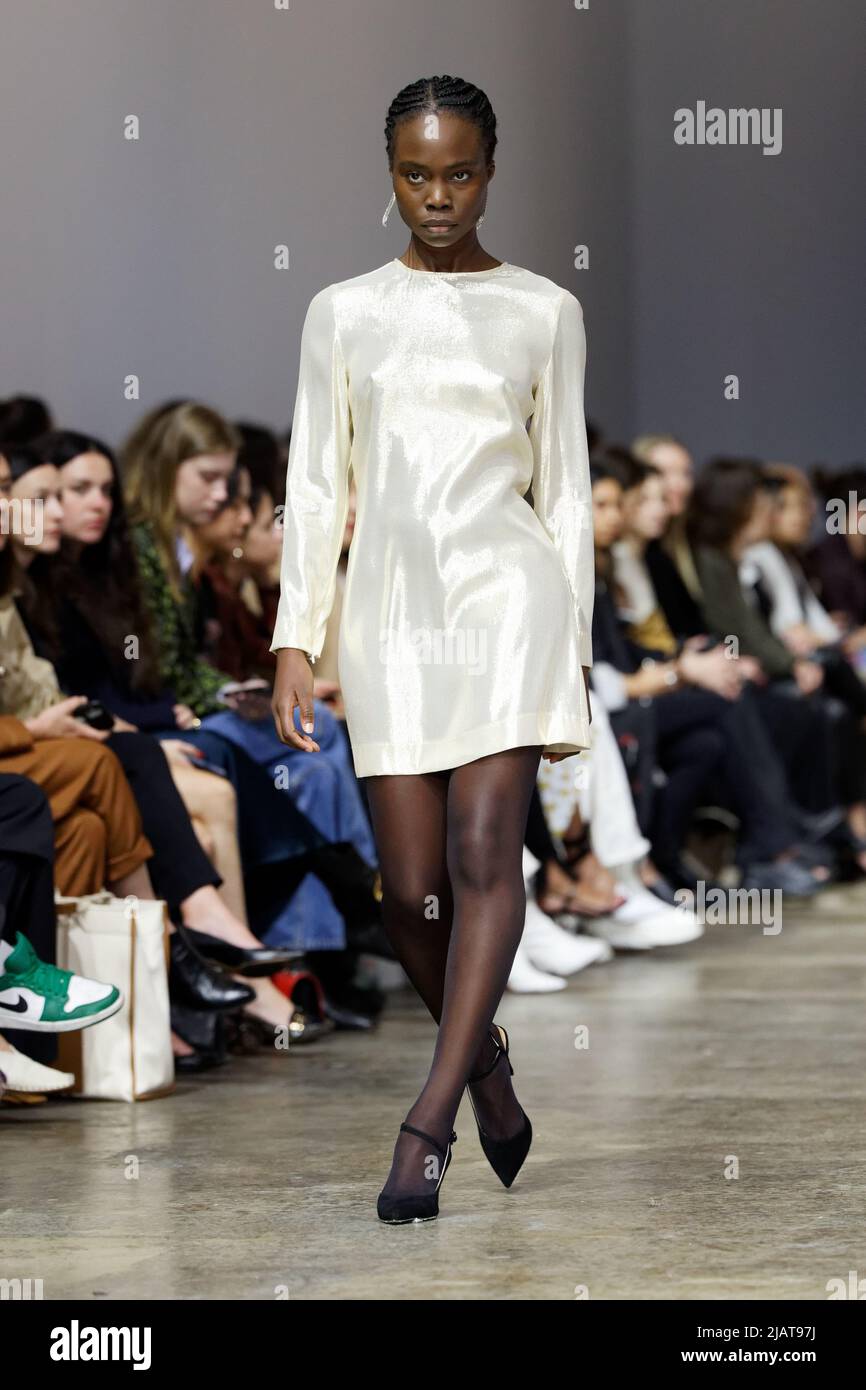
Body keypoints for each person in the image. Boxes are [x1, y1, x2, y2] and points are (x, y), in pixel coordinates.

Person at [269, 75, 595, 1223]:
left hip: (510, 604)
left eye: (458, 172)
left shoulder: (543, 309)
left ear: (490, 170)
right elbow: (314, 486)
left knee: (478, 853)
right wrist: (294, 637)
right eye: (416, 173)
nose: (438, 195)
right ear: (389, 171)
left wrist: (579, 651)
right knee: (407, 892)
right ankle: (491, 1083)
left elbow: (564, 495)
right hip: (393, 616)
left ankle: (427, 1123)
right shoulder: (340, 311)